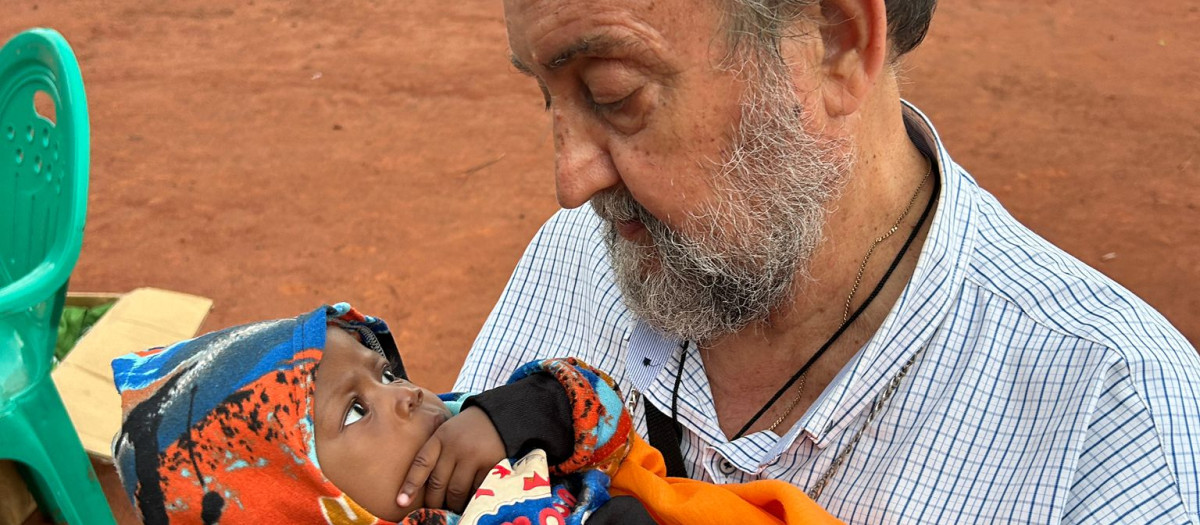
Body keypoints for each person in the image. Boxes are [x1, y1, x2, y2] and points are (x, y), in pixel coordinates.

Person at [454, 0, 1200, 522]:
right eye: (545, 96)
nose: (571, 180)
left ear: (835, 41)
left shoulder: (1113, 425)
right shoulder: (575, 260)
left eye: (614, 94)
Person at [111, 303, 843, 524]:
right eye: (356, 409)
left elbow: (609, 419)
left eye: (385, 370)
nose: (404, 392)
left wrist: (534, 409)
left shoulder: (475, 433)